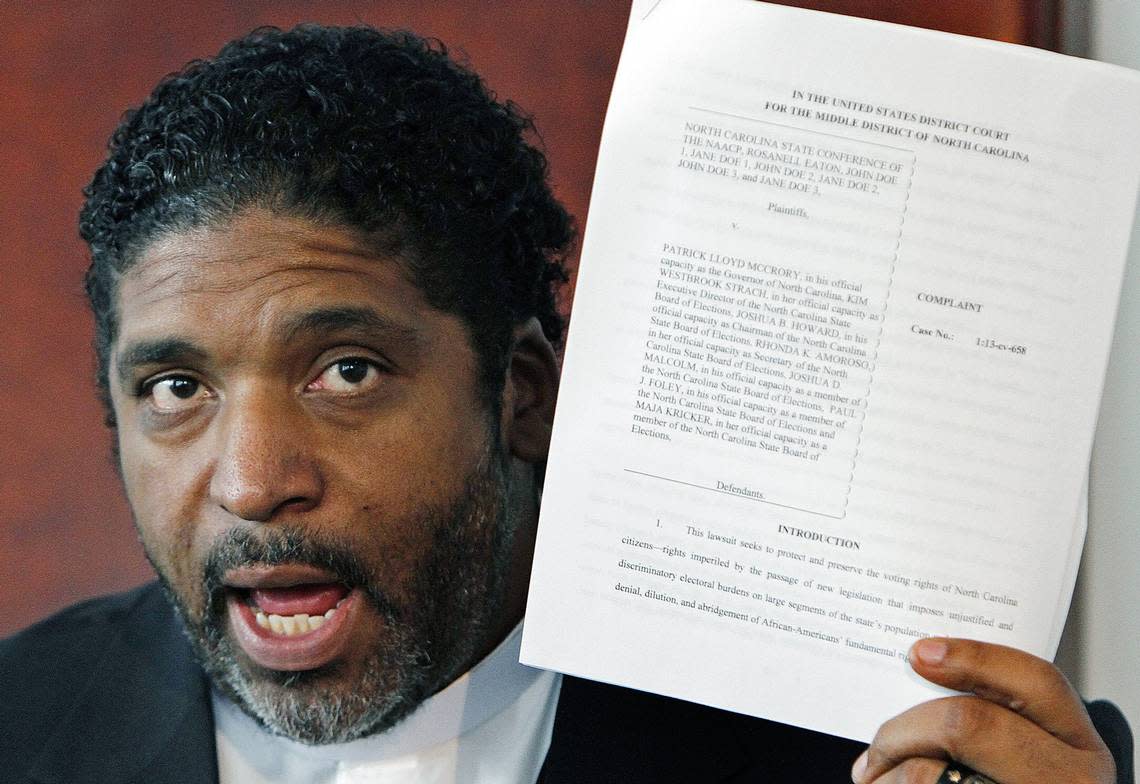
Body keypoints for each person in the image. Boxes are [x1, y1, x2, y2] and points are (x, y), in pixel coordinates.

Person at [0, 23, 1131, 784]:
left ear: (524, 392)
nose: (252, 479)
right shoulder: (21, 723)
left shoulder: (907, 756)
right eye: (176, 388)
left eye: (344, 370)